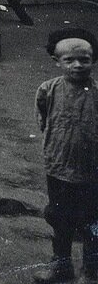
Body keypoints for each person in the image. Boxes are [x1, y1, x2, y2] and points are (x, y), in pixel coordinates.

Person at [33, 28, 98, 284]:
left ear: (94, 60)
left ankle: (91, 272)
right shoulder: (48, 90)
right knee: (60, 221)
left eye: (85, 59)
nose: (77, 65)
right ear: (56, 61)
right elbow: (43, 120)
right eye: (69, 60)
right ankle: (61, 267)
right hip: (58, 168)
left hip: (92, 171)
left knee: (92, 223)